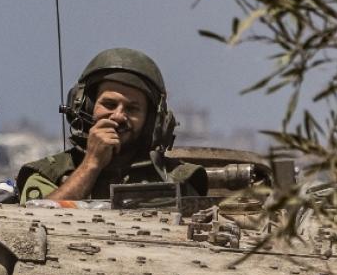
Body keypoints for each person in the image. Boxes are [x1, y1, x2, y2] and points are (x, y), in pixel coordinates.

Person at [16, 48, 207, 202]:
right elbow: (36, 223)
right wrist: (91, 164)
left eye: (132, 109)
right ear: (85, 106)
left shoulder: (176, 179)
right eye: (109, 104)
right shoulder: (49, 174)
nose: (118, 116)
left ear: (151, 120)